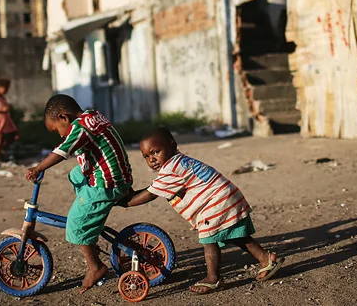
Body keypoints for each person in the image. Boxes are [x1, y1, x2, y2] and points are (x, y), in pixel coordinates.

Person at [120, 126, 283, 295]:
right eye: (146, 156)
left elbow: (151, 194)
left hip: (217, 202)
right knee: (235, 234)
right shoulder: (178, 161)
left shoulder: (171, 170)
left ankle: (214, 279)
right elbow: (154, 189)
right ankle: (266, 258)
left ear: (173, 145)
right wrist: (132, 196)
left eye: (155, 152)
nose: (151, 159)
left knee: (208, 239)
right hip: (226, 195)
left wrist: (126, 202)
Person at [25, 94, 133, 293]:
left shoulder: (81, 128)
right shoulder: (91, 116)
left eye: (57, 129)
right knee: (75, 175)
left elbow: (62, 151)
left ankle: (96, 267)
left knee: (75, 223)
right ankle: (89, 209)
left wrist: (39, 168)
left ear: (64, 117)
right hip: (118, 175)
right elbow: (64, 146)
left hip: (107, 183)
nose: (59, 134)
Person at [0, 78, 19, 163]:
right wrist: (2, 109)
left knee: (9, 139)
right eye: (5, 88)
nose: (6, 90)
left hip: (6, 121)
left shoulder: (3, 97)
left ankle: (2, 156)